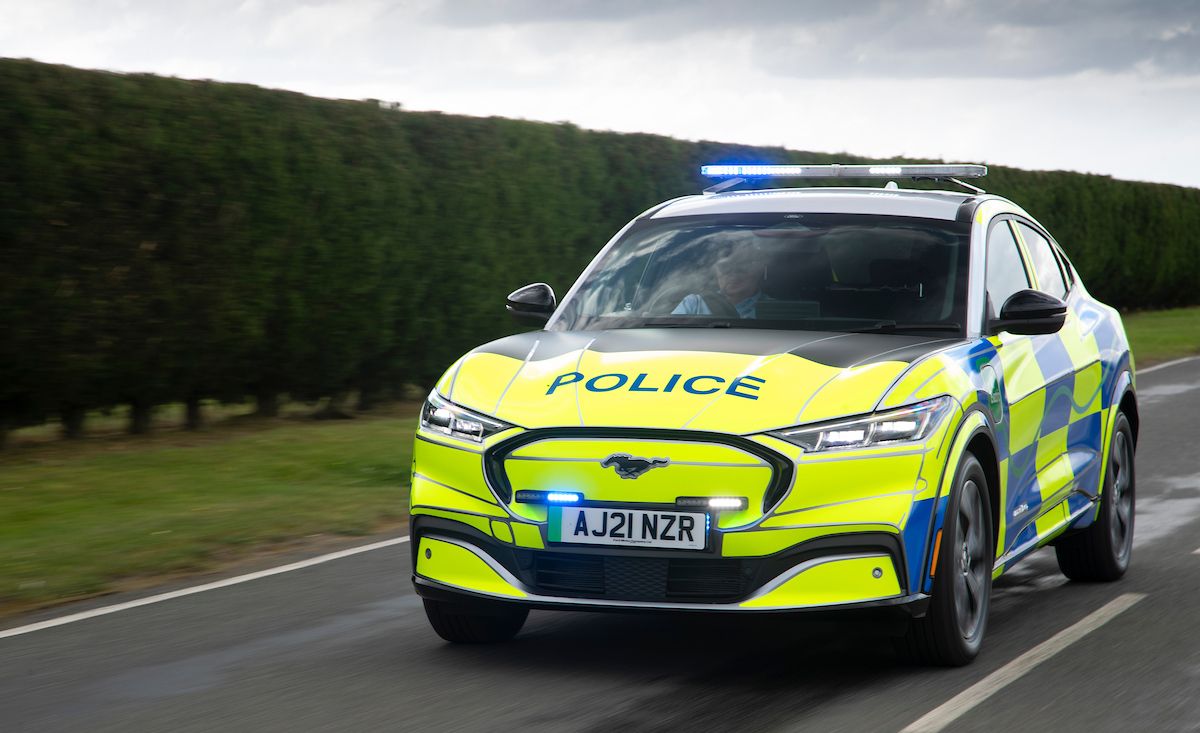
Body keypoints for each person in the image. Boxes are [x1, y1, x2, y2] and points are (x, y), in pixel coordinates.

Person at [672, 249, 770, 318]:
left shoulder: (778, 308)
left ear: (760, 270)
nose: (733, 273)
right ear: (716, 272)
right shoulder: (694, 304)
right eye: (725, 267)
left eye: (742, 266)